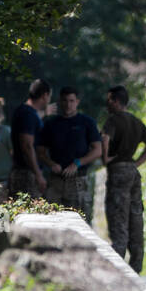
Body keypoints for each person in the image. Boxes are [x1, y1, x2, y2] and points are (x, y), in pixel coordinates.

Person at [101, 85, 146, 273]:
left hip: (117, 172)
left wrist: (106, 157)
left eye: (109, 100)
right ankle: (136, 266)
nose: (107, 103)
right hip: (133, 173)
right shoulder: (136, 121)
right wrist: (136, 163)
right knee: (135, 218)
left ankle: (117, 267)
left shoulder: (113, 120)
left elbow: (105, 139)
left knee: (118, 219)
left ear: (117, 101)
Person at [37, 86, 103, 223]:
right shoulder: (51, 124)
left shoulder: (87, 123)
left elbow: (98, 150)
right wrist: (51, 164)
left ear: (77, 102)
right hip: (55, 180)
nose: (68, 104)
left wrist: (77, 163)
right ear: (60, 101)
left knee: (79, 220)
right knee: (50, 220)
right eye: (65, 101)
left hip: (78, 180)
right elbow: (40, 151)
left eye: (71, 101)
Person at [9, 79, 50, 200]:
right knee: (29, 213)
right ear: (45, 95)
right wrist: (38, 174)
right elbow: (27, 145)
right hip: (26, 174)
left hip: (22, 171)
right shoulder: (28, 114)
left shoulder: (26, 112)